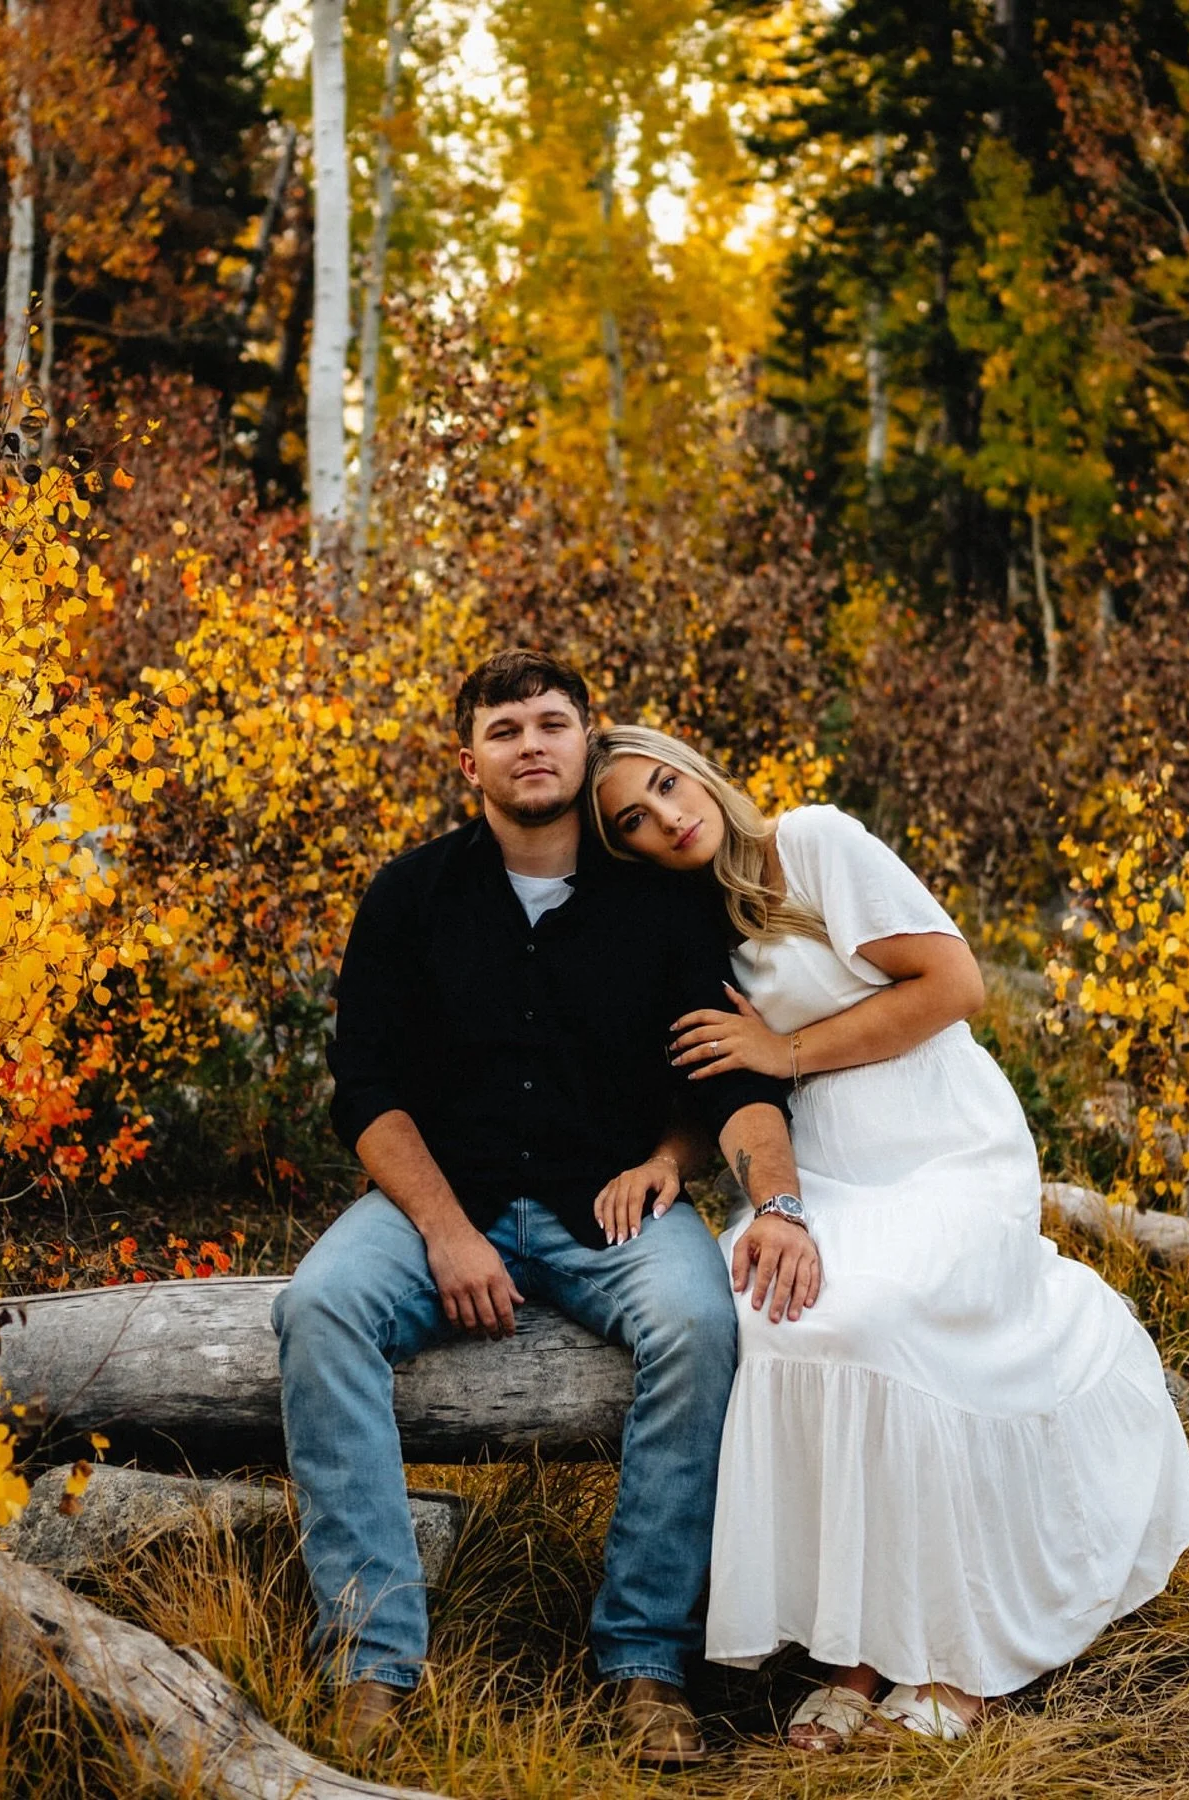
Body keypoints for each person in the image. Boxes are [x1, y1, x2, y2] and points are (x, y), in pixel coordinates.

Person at [587, 724, 1189, 1748]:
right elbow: (725, 1071)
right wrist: (668, 1158)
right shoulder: (689, 923)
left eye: (665, 784)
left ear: (695, 767)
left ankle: (956, 1659)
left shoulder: (814, 843)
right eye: (635, 823)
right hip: (827, 1166)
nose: (667, 816)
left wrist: (785, 1048)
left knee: (881, 1321)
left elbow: (954, 986)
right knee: (781, 1321)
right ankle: (854, 1654)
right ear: (630, 852)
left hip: (943, 1143)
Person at [272, 652, 818, 1768]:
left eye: (554, 722)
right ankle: (373, 1662)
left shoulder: (661, 909)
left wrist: (772, 1201)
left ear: (587, 744)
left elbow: (729, 1079)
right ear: (467, 759)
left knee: (702, 1322)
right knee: (320, 1305)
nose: (533, 741)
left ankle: (643, 1663)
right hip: (442, 1197)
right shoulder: (410, 895)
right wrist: (445, 1231)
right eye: (508, 726)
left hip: (605, 1206)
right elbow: (365, 1091)